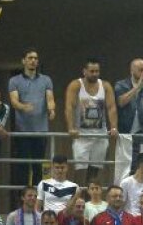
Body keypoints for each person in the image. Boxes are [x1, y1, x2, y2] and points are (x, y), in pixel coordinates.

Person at [64, 58, 118, 186]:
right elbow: (69, 107)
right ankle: (79, 200)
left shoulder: (105, 86)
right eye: (92, 71)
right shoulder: (76, 85)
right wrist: (71, 127)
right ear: (84, 71)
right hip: (81, 136)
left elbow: (111, 108)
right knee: (80, 170)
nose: (94, 74)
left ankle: (90, 200)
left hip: (100, 135)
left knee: (94, 173)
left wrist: (114, 127)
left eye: (97, 71)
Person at [8, 48, 56, 191]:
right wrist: (23, 107)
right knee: (23, 166)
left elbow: (50, 98)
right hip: (22, 131)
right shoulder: (14, 80)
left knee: (40, 166)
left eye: (35, 58)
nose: (33, 60)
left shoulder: (46, 79)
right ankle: (22, 197)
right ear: (23, 61)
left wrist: (51, 109)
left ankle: (39, 198)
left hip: (41, 131)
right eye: (30, 58)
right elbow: (14, 101)